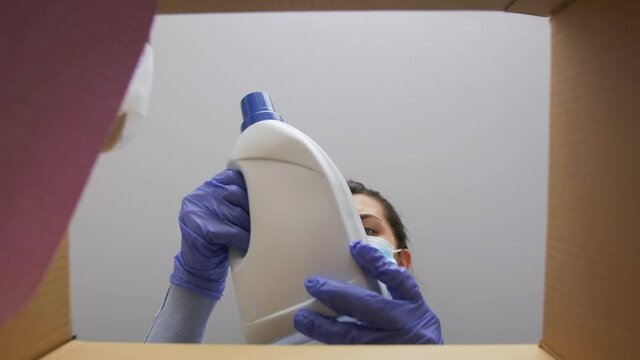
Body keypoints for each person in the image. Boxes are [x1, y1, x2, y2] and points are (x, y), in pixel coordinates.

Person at [145, 169, 443, 344]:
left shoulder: (420, 344)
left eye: (366, 228)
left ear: (401, 262)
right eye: (332, 230)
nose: (349, 239)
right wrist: (194, 285)